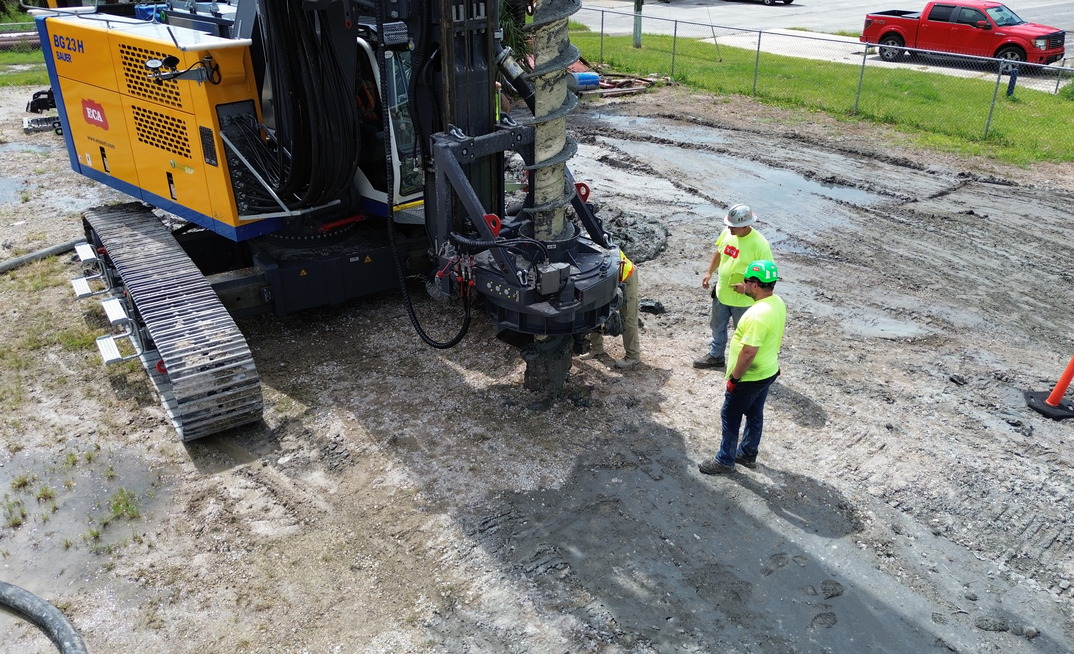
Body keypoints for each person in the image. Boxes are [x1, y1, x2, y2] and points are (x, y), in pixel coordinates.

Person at [698, 259, 785, 475]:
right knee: (755, 413)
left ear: (755, 284)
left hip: (750, 377)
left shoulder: (756, 315)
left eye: (746, 281)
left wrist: (734, 379)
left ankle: (725, 460)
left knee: (731, 415)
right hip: (768, 371)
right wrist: (742, 289)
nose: (744, 284)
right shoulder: (777, 303)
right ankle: (747, 453)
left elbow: (748, 353)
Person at [694, 203, 772, 370]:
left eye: (734, 227)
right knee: (717, 326)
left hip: (743, 302)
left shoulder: (760, 244)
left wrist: (747, 289)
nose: (730, 229)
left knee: (744, 334)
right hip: (722, 293)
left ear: (746, 225)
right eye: (729, 225)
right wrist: (709, 273)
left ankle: (744, 365)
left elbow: (768, 276)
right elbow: (719, 253)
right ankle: (716, 356)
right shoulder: (727, 234)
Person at [583, 250, 641, 369]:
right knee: (594, 311)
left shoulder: (592, 250)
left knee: (628, 317)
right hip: (603, 278)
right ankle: (596, 348)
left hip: (626, 277)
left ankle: (633, 356)